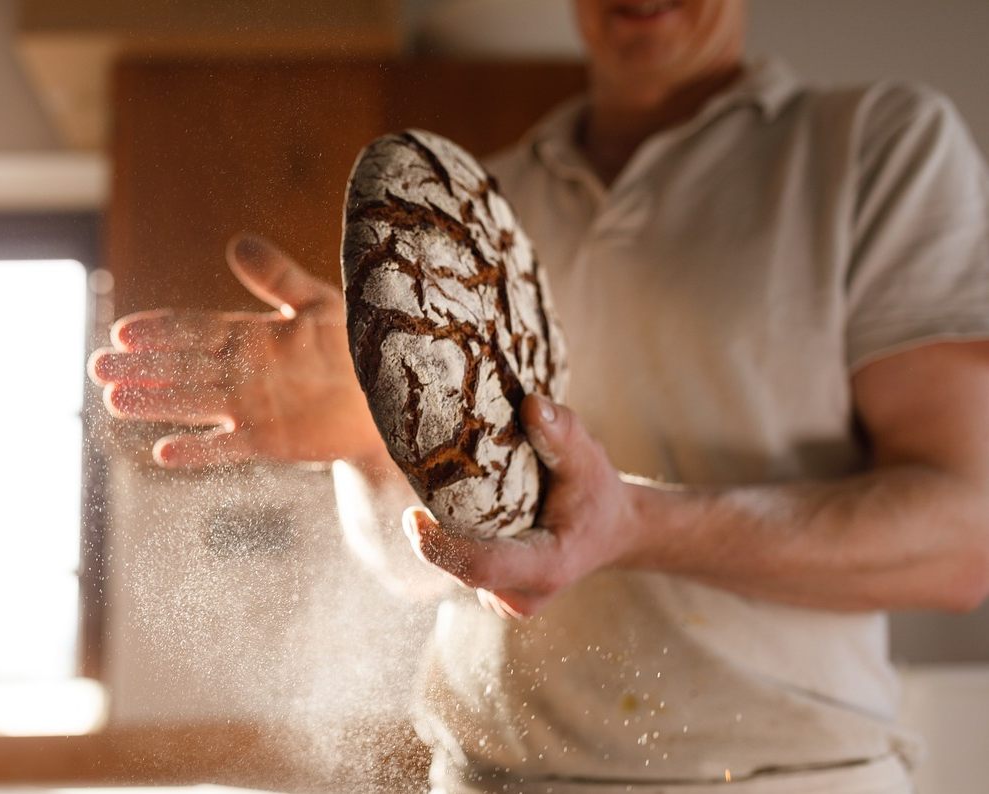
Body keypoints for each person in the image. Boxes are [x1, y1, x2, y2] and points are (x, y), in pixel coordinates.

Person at [90, 0, 989, 791]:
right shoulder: (476, 204)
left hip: (776, 781)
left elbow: (962, 541)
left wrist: (634, 526)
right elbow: (424, 571)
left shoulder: (875, 147)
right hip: (486, 778)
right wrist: (370, 440)